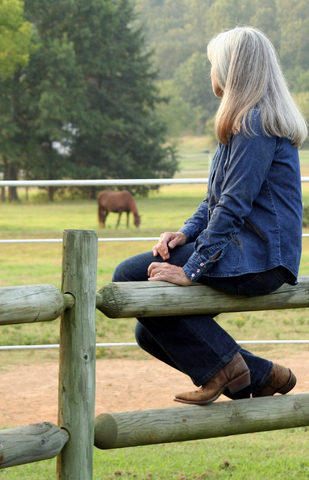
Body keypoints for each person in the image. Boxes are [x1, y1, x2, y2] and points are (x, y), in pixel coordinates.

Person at [112, 26, 308, 405]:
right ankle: (261, 373)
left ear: (232, 70)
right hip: (245, 252)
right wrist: (184, 235)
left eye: (213, 64)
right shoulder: (242, 124)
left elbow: (232, 206)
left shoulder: (254, 125)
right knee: (148, 331)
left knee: (129, 276)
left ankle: (228, 369)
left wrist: (191, 268)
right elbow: (215, 201)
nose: (211, 72)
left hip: (260, 258)